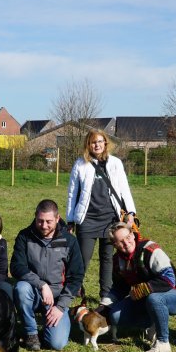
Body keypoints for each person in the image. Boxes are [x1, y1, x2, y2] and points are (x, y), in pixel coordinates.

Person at [66, 131, 136, 306]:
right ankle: (75, 288)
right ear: (87, 145)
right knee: (83, 258)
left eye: (99, 142)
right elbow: (72, 193)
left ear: (105, 143)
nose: (96, 145)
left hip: (110, 219)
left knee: (107, 258)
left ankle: (106, 294)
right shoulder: (80, 164)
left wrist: (131, 213)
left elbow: (124, 189)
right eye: (92, 142)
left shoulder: (116, 163)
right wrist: (70, 219)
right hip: (87, 219)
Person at [107, 222, 176, 352]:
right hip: (147, 297)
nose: (126, 243)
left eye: (128, 237)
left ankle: (163, 343)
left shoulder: (150, 249)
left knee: (155, 299)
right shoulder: (117, 261)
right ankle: (152, 324)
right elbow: (119, 287)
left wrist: (141, 290)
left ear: (133, 235)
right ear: (114, 245)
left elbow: (169, 279)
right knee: (115, 315)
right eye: (120, 242)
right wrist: (103, 305)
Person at [12, 199, 85, 351]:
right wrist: (41, 284)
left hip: (57, 298)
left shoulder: (69, 241)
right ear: (35, 216)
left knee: (56, 344)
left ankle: (50, 324)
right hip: (33, 291)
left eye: (48, 221)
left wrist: (60, 306)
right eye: (40, 221)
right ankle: (31, 334)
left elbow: (76, 277)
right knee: (21, 288)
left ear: (57, 218)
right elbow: (16, 266)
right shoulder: (24, 236)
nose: (44, 226)